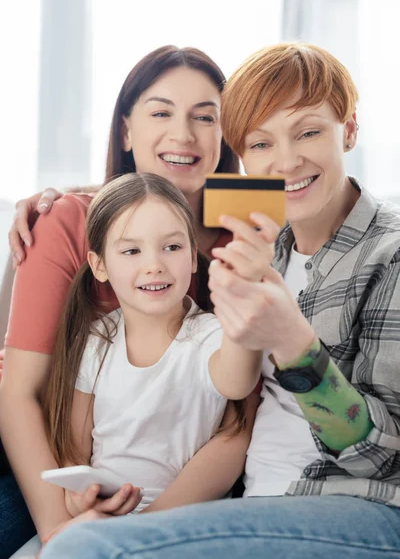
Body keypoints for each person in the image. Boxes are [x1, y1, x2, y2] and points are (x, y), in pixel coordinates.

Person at [40, 42, 400, 558]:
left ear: (350, 129)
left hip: (353, 506)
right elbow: (149, 208)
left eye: (310, 131)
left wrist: (294, 344)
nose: (286, 160)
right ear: (241, 155)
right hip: (248, 508)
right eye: (260, 143)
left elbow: (385, 459)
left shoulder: (389, 254)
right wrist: (59, 198)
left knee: (85, 549)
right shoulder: (263, 246)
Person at [0, 46, 258, 558]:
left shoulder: (245, 239)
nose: (183, 134)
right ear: (125, 131)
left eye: (205, 117)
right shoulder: (68, 220)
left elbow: (238, 423)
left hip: (173, 492)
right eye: (161, 112)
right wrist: (62, 530)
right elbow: (20, 394)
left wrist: (142, 535)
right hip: (43, 462)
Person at [43, 171, 263, 528]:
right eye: (131, 250)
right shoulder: (97, 340)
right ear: (99, 265)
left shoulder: (210, 334)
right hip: (103, 517)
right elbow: (74, 452)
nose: (154, 265)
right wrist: (79, 497)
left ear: (193, 257)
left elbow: (237, 383)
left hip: (181, 524)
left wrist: (242, 309)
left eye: (172, 247)